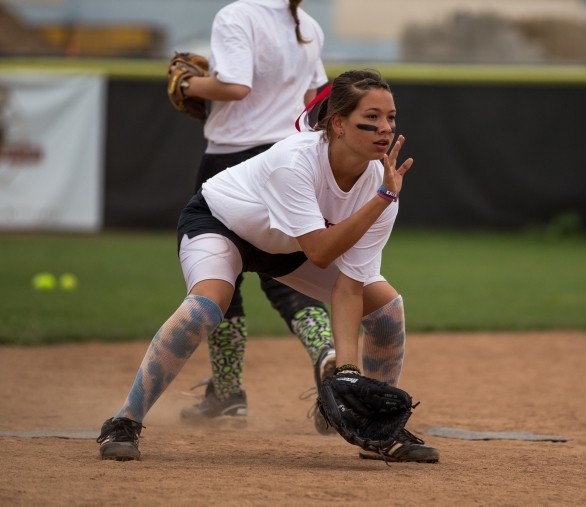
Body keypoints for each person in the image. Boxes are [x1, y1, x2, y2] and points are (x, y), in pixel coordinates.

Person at [96, 69, 440, 464]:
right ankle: (124, 421)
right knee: (206, 307)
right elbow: (321, 253)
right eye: (372, 118)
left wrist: (347, 371)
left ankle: (379, 430)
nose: (386, 128)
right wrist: (382, 199)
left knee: (385, 309)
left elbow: (349, 286)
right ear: (338, 124)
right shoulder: (296, 161)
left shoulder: (382, 181)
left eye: (391, 117)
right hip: (222, 225)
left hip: (288, 248)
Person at [175, 0, 336, 433]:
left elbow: (234, 87)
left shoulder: (237, 15)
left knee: (220, 272)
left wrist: (189, 84)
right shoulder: (307, 23)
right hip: (285, 158)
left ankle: (227, 394)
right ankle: (327, 355)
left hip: (232, 161)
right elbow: (314, 97)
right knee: (285, 270)